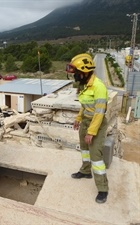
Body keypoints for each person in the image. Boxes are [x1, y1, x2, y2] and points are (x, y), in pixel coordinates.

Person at [66, 53, 109, 204]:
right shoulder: (84, 85)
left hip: (97, 123)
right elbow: (85, 106)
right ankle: (85, 172)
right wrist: (79, 119)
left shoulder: (99, 87)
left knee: (96, 157)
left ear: (85, 72)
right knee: (84, 149)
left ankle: (103, 189)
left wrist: (91, 132)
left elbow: (99, 112)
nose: (75, 76)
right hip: (85, 121)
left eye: (77, 73)